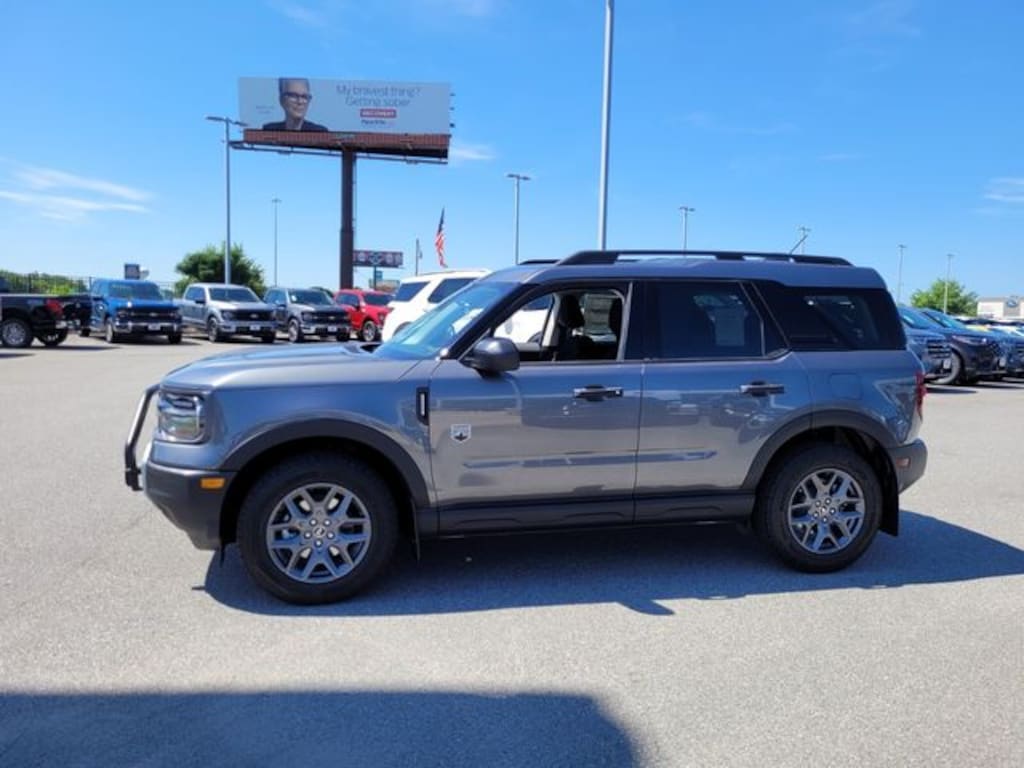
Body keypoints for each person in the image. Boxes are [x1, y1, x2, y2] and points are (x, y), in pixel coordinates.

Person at [261, 78, 328, 131]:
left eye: (304, 96)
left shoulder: (320, 132)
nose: (300, 102)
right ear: (281, 100)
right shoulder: (269, 130)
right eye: (293, 96)